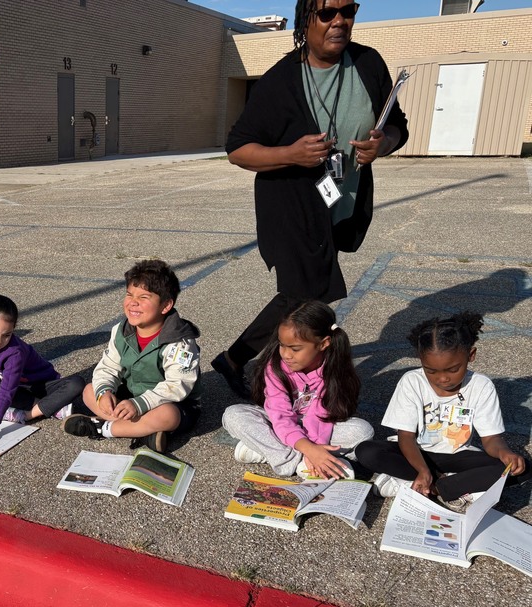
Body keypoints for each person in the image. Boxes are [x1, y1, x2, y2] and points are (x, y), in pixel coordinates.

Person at [214, 0, 409, 398]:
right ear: (306, 20)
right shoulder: (281, 81)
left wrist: (383, 144)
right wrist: (290, 153)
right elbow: (237, 149)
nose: (339, 21)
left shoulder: (368, 64)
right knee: (304, 293)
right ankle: (264, 365)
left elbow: (396, 124)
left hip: (339, 199)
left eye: (348, 10)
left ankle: (263, 360)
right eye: (327, 13)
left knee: (310, 293)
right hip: (290, 202)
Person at [355, 313, 526, 511]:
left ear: (471, 355)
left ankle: (432, 487)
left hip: (457, 455)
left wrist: (505, 452)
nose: (442, 379)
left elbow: (491, 439)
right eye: (431, 371)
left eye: (452, 370)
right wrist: (422, 469)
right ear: (421, 360)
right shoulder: (412, 381)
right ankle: (451, 485)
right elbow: (406, 437)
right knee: (366, 451)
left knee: (521, 468)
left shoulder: (481, 386)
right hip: (416, 453)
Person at [61, 259, 201, 455]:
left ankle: (103, 428)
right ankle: (141, 431)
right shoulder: (121, 331)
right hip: (132, 396)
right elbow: (108, 367)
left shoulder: (180, 342)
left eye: (144, 297)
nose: (133, 302)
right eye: (129, 294)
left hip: (172, 403)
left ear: (166, 305)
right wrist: (105, 392)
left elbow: (177, 385)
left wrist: (140, 404)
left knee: (167, 415)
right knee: (90, 391)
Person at [223, 300, 372, 480]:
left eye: (295, 348)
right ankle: (301, 463)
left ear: (323, 344)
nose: (286, 354)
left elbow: (321, 418)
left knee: (362, 431)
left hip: (319, 428)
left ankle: (270, 453)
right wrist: (310, 452)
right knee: (233, 415)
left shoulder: (334, 370)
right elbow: (280, 414)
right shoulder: (275, 367)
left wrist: (313, 447)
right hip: (278, 422)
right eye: (282, 345)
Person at [0, 292, 84, 446]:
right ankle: (52, 407)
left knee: (76, 383)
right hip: (20, 388)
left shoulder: (15, 352)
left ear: (13, 330)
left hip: (44, 387)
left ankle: (28, 415)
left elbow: (7, 392)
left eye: (7, 335)